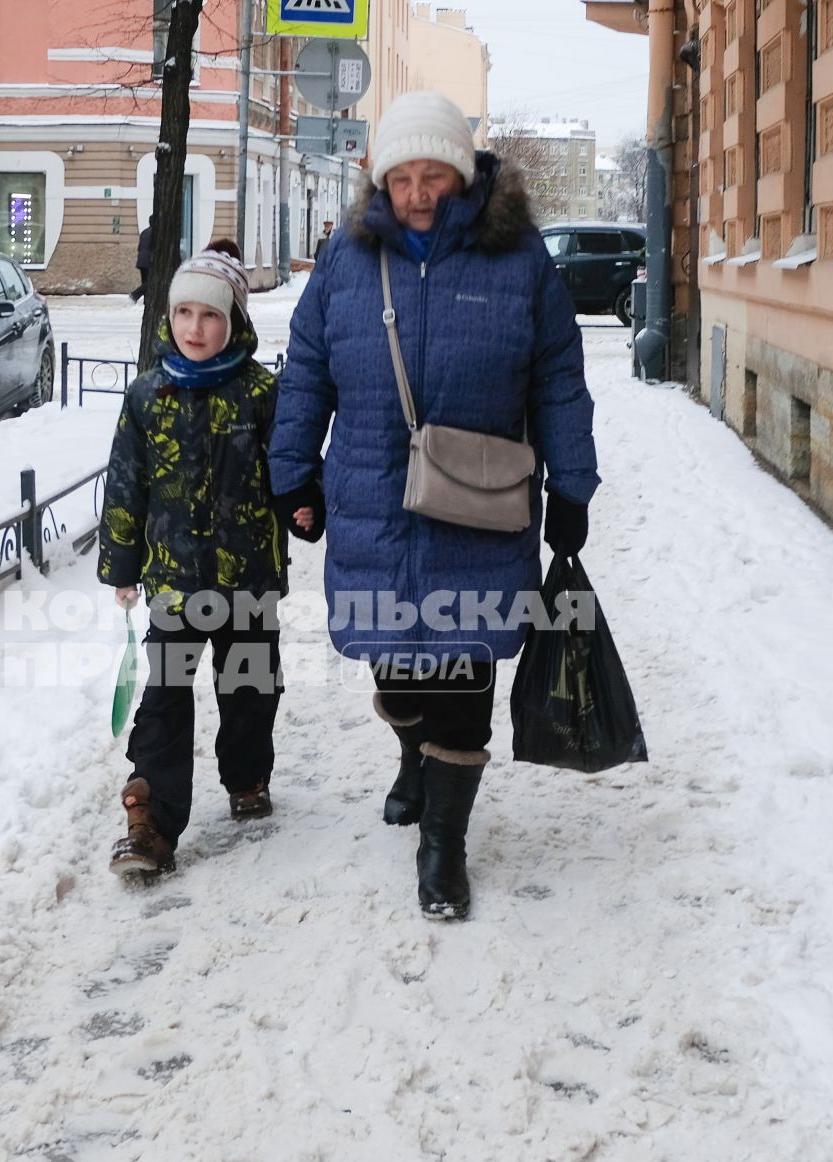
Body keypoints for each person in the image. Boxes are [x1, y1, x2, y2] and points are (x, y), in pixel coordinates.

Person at [268, 90, 599, 922]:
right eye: (403, 177)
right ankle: (415, 753)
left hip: (482, 507)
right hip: (373, 500)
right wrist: (292, 474)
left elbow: (559, 377)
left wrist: (573, 486)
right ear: (382, 183)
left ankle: (443, 848)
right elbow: (307, 367)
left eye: (434, 175)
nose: (418, 192)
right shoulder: (349, 260)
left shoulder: (518, 260)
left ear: (464, 173)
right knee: (396, 668)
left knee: (464, 673)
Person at [98, 245, 318, 877]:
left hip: (250, 582)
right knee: (165, 696)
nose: (195, 328)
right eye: (184, 313)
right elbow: (126, 484)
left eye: (210, 316)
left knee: (248, 689)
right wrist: (121, 564)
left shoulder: (261, 394)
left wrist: (305, 507)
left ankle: (247, 777)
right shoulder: (148, 397)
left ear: (236, 323)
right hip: (173, 582)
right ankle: (153, 822)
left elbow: (292, 467)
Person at [131, 214, 156, 302]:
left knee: (145, 280)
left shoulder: (144, 232)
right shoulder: (156, 233)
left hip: (141, 259)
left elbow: (140, 247)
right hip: (149, 260)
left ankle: (147, 300)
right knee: (151, 281)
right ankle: (135, 294)